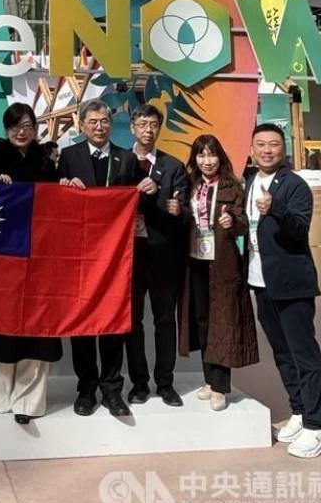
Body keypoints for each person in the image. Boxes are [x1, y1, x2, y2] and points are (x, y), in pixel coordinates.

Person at [246, 123, 321, 458]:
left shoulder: (294, 185)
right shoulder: (249, 181)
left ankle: (317, 424)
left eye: (273, 145)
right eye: (261, 144)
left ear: (283, 149)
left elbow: (299, 229)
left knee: (303, 353)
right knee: (281, 352)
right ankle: (298, 410)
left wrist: (276, 209)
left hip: (291, 283)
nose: (267, 150)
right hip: (260, 281)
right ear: (252, 149)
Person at [0, 103, 61, 424]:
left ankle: (29, 402)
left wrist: (68, 187)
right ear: (6, 128)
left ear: (35, 127)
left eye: (27, 124)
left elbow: (58, 199)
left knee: (38, 327)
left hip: (41, 256)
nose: (21, 131)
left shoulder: (46, 158)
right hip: (5, 258)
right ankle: (4, 396)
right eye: (15, 125)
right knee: (7, 327)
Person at [57, 98, 135, 418]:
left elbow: (131, 207)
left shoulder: (126, 158)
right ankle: (86, 388)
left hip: (114, 258)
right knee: (83, 326)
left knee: (112, 323)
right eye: (93, 122)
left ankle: (113, 389)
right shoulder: (69, 156)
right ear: (82, 124)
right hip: (78, 257)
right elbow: (56, 208)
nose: (100, 127)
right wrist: (63, 186)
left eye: (104, 121)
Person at [178, 135, 258, 411]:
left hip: (222, 262)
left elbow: (245, 223)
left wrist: (232, 221)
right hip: (195, 260)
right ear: (195, 159)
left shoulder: (233, 186)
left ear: (220, 157)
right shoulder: (191, 185)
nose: (207, 161)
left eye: (211, 155)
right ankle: (209, 381)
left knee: (222, 321)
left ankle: (221, 387)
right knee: (202, 321)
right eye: (201, 155)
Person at [124, 104, 189, 408]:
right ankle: (138, 383)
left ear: (159, 129)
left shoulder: (173, 166)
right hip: (128, 258)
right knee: (132, 321)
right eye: (142, 124)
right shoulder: (120, 161)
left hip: (164, 255)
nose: (147, 130)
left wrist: (176, 209)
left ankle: (165, 383)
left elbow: (185, 209)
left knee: (165, 320)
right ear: (133, 127)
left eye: (153, 125)